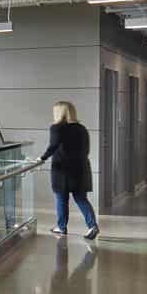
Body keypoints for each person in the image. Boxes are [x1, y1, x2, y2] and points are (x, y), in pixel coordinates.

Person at [39, 100, 99, 239]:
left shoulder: (56, 128)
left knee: (61, 199)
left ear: (59, 112)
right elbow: (86, 150)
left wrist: (42, 158)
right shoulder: (81, 128)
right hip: (80, 168)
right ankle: (92, 226)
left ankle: (61, 227)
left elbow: (53, 146)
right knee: (81, 199)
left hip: (62, 170)